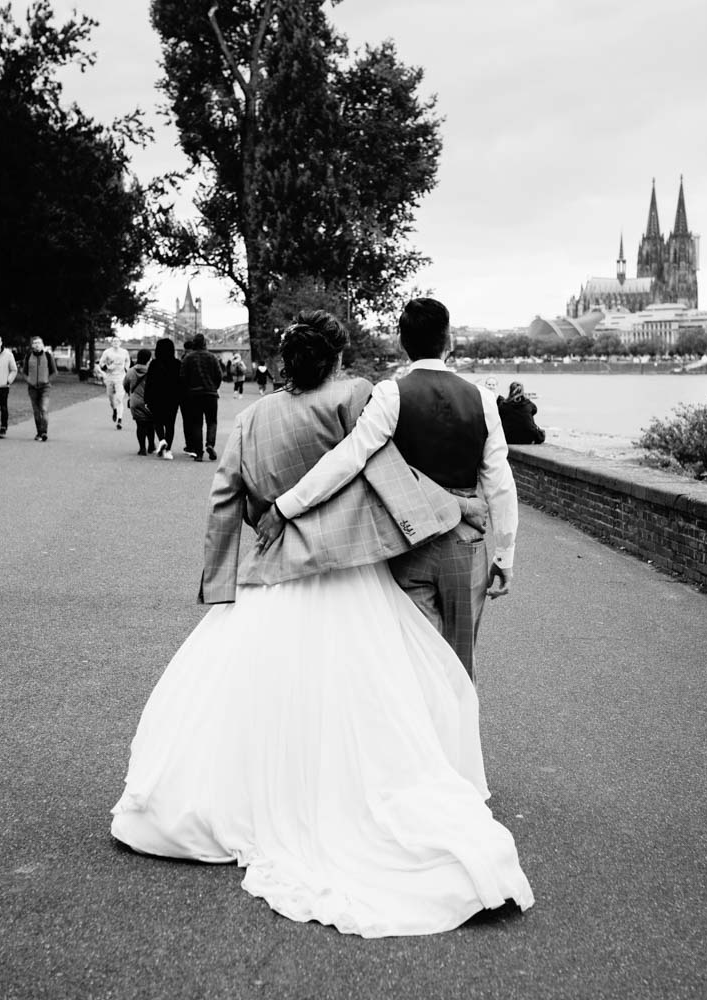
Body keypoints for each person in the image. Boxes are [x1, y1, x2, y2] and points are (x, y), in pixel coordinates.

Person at [110, 310, 533, 937]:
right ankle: (360, 789)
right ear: (336, 359)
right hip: (347, 567)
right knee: (367, 685)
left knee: (263, 685)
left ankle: (260, 796)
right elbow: (385, 474)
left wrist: (224, 576)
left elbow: (226, 496)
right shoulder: (354, 397)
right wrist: (461, 509)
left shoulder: (252, 418)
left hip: (272, 568)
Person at [259, 297, 517, 678]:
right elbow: (500, 483)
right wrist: (505, 553)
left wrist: (285, 507)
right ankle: (455, 733)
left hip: (408, 540)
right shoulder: (482, 400)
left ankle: (418, 734)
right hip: (466, 543)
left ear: (401, 342)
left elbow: (348, 460)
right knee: (460, 665)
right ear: (449, 342)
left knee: (413, 662)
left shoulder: (391, 395)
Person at [178, 333, 223, 462]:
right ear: (205, 343)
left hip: (194, 395)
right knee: (212, 421)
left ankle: (198, 453)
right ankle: (210, 444)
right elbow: (219, 376)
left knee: (196, 423)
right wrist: (214, 387)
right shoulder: (212, 357)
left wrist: (189, 389)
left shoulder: (188, 358)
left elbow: (182, 377)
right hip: (210, 394)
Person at [144, 337, 181, 460]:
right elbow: (181, 382)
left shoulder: (154, 364)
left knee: (158, 421)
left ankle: (161, 440)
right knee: (170, 424)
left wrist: (146, 399)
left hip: (156, 397)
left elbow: (148, 382)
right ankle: (168, 450)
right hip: (173, 397)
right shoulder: (177, 364)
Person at [22, 336, 57, 442]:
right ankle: (39, 432)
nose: (37, 345)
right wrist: (28, 380)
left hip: (45, 387)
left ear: (42, 345)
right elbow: (24, 372)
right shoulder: (28, 356)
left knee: (44, 409)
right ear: (32, 345)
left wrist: (47, 380)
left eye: (39, 343)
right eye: (35, 343)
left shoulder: (48, 356)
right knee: (36, 411)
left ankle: (44, 432)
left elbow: (54, 372)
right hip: (32, 388)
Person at [124, 348, 154, 455]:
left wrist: (130, 394)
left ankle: (142, 448)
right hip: (150, 401)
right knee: (151, 424)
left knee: (140, 425)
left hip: (135, 401)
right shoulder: (152, 370)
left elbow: (126, 385)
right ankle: (151, 445)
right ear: (149, 358)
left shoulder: (131, 371)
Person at [497, 380, 547, 445]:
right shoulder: (528, 404)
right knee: (540, 431)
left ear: (510, 390)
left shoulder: (503, 405)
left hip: (507, 438)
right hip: (527, 438)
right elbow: (534, 410)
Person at [97, 336, 131, 429]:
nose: (116, 342)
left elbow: (128, 361)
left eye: (117, 341)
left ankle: (119, 420)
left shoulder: (124, 352)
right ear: (111, 343)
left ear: (120, 342)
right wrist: (106, 368)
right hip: (110, 377)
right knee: (111, 399)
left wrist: (126, 369)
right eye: (114, 341)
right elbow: (101, 363)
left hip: (120, 377)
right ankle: (114, 410)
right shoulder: (107, 352)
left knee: (119, 399)